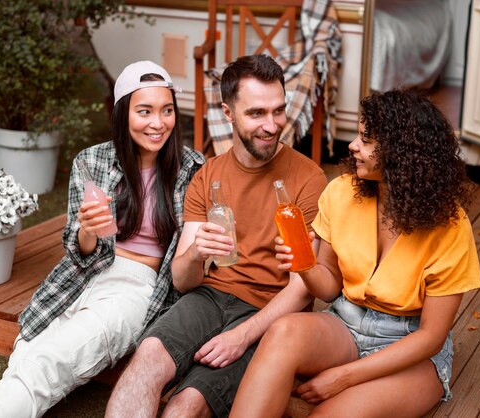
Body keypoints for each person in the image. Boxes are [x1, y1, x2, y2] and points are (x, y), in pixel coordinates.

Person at [0, 61, 204, 418]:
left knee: (51, 361)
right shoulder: (92, 160)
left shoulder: (192, 168)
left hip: (137, 288)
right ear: (123, 114)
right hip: (83, 275)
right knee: (26, 354)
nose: (158, 123)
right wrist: (87, 231)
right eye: (144, 111)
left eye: (167, 110)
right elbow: (80, 254)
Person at [230, 89, 480, 418]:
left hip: (410, 348)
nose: (353, 146)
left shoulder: (450, 226)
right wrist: (305, 264)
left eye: (366, 139)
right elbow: (330, 286)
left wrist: (342, 377)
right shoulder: (342, 193)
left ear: (400, 152)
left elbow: (431, 336)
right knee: (283, 331)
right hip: (346, 325)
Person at [105, 54, 328, 418]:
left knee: (187, 402)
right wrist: (194, 254)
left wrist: (242, 336)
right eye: (256, 113)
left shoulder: (309, 179)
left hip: (269, 312)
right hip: (207, 297)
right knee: (147, 359)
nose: (271, 126)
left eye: (278, 111)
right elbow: (183, 280)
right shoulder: (208, 175)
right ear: (228, 113)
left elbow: (301, 287)